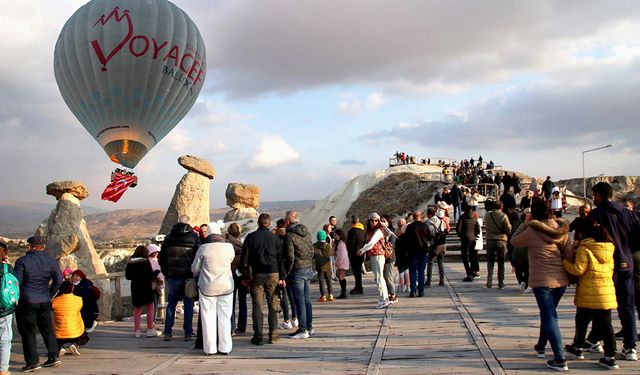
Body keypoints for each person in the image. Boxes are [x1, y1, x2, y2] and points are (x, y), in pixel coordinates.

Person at [511, 197, 572, 371]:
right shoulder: (561, 230)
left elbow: (514, 240)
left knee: (549, 316)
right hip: (561, 280)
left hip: (542, 280)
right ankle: (540, 346)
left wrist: (526, 223)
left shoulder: (531, 231)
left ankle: (560, 359)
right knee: (548, 313)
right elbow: (568, 253)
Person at [583, 182, 638, 360]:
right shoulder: (628, 213)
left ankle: (603, 346)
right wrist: (627, 249)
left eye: (594, 195)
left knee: (602, 307)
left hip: (605, 266)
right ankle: (630, 347)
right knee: (627, 306)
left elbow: (588, 240)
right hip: (626, 264)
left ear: (598, 195)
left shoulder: (596, 214)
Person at [562, 219, 618, 370]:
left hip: (588, 292)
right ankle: (610, 356)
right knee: (606, 325)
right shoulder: (609, 248)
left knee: (582, 321)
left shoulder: (584, 248)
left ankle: (577, 347)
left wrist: (565, 263)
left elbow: (578, 270)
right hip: (606, 292)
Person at [14, 235, 63, 371]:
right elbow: (59, 280)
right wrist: (50, 294)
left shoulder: (22, 261)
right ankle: (54, 357)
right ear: (44, 247)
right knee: (47, 329)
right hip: (45, 299)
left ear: (30, 246)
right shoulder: (52, 261)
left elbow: (16, 281)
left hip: (27, 301)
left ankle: (33, 362)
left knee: (28, 332)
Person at [192, 221, 235, 355]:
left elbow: (195, 269)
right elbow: (231, 260)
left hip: (207, 288)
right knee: (225, 318)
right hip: (226, 287)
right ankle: (225, 347)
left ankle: (209, 348)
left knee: (207, 318)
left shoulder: (203, 248)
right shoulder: (229, 247)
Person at [160, 215, 200, 341]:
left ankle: (167, 332)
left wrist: (166, 272)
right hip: (188, 276)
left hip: (172, 276)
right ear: (189, 223)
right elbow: (198, 256)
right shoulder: (194, 237)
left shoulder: (168, 237)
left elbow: (162, 258)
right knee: (189, 304)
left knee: (171, 304)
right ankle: (188, 333)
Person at [283, 211, 315, 339]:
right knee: (306, 300)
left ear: (287, 221)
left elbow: (290, 256)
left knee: (299, 300)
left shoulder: (289, 236)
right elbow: (311, 250)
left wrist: (287, 271)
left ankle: (302, 329)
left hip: (297, 269)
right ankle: (309, 326)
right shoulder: (306, 232)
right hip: (307, 267)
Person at [125, 245, 161, 338]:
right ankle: (150, 329)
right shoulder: (146, 262)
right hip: (146, 287)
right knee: (150, 308)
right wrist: (157, 271)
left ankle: (137, 331)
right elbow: (150, 276)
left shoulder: (130, 263)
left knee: (137, 309)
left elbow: (127, 276)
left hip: (135, 287)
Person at [357, 213, 391, 308]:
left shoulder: (378, 231)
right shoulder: (371, 230)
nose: (374, 222)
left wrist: (362, 250)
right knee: (379, 278)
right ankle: (384, 298)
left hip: (378, 256)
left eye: (376, 220)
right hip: (374, 255)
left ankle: (383, 299)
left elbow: (371, 243)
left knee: (379, 278)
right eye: (372, 220)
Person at [399, 211, 431, 297]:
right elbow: (429, 238)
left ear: (413, 217)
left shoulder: (410, 227)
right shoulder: (425, 226)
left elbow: (405, 239)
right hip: (423, 251)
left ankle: (412, 291)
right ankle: (421, 291)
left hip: (412, 252)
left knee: (412, 271)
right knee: (421, 271)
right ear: (420, 216)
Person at [52, 281, 88, 357]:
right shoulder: (79, 300)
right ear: (72, 288)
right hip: (76, 332)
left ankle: (60, 348)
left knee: (54, 336)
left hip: (59, 334)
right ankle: (75, 344)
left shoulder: (55, 301)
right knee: (85, 336)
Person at [274, 219, 297, 331]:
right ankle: (295, 318)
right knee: (292, 294)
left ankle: (286, 320)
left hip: (282, 271)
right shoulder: (290, 236)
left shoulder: (278, 239)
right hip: (292, 269)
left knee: (284, 296)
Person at [484, 200, 512, 289]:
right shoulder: (503, 216)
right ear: (501, 207)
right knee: (501, 262)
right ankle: (501, 282)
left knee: (490, 261)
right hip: (501, 240)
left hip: (490, 239)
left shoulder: (487, 215)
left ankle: (489, 280)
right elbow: (508, 229)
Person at [226, 223, 247, 336]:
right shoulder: (242, 243)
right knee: (242, 300)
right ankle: (242, 326)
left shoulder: (226, 243)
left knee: (231, 301)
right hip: (241, 273)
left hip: (230, 273)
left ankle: (231, 326)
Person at [0, 243, 16, 375]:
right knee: (5, 340)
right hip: (4, 308)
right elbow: (16, 285)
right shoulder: (7, 268)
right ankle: (3, 370)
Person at [457, 203, 481, 282]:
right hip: (473, 239)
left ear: (465, 210)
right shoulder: (474, 219)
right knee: (473, 256)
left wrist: (461, 236)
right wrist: (474, 235)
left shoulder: (462, 218)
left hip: (465, 239)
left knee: (464, 257)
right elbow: (478, 230)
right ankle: (473, 271)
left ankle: (469, 274)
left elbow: (458, 229)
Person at [426, 207, 447, 287]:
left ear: (429, 214)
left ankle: (428, 281)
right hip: (442, 244)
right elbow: (444, 229)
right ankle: (442, 280)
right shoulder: (441, 221)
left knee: (430, 262)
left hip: (434, 245)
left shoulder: (428, 224)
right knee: (440, 263)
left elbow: (428, 236)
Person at [380, 215, 398, 303]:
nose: (382, 223)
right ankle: (388, 293)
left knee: (388, 276)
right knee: (384, 276)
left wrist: (386, 240)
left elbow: (392, 245)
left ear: (388, 222)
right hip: (382, 257)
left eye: (384, 221)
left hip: (389, 257)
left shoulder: (391, 232)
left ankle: (393, 294)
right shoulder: (380, 232)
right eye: (381, 221)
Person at [346, 216, 366, 295]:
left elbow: (351, 244)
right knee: (358, 271)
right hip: (361, 253)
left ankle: (358, 287)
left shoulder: (352, 231)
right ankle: (358, 286)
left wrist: (349, 253)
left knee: (356, 271)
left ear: (351, 222)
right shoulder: (362, 230)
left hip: (354, 254)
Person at [313, 231, 334, 302]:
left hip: (319, 265)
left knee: (321, 281)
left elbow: (313, 256)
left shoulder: (314, 245)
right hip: (327, 265)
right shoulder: (327, 245)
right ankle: (330, 295)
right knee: (329, 280)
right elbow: (331, 253)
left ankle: (323, 296)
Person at [146, 244, 164, 325]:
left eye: (157, 252)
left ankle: (153, 319)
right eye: (154, 252)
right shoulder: (149, 261)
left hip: (158, 284)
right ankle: (151, 320)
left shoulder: (157, 260)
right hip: (152, 285)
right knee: (153, 304)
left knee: (156, 303)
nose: (156, 253)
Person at [333, 229, 350, 299]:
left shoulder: (341, 244)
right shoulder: (340, 243)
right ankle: (343, 292)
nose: (334, 236)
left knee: (341, 277)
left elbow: (340, 255)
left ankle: (343, 292)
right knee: (341, 277)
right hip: (342, 261)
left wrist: (337, 263)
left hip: (341, 262)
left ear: (339, 235)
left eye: (335, 235)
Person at [394, 219, 410, 293]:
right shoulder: (407, 232)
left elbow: (394, 244)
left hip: (398, 253)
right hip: (406, 253)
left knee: (400, 270)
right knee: (407, 269)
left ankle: (402, 286)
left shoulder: (396, 232)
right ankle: (408, 286)